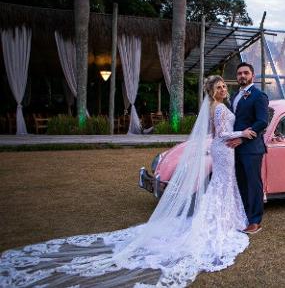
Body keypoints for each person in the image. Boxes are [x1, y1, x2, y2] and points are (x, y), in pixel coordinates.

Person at [0, 76, 257, 287]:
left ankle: (223, 218)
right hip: (224, 150)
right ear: (212, 92)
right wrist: (243, 132)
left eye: (224, 85)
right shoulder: (221, 107)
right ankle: (223, 221)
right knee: (223, 185)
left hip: (221, 150)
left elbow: (214, 134)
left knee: (221, 186)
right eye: (219, 87)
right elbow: (222, 134)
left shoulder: (214, 107)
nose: (223, 89)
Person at [227, 62, 269, 235]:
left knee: (253, 185)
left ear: (253, 76)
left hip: (251, 148)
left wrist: (241, 139)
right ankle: (244, 215)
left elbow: (261, 122)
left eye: (245, 73)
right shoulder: (235, 95)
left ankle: (255, 221)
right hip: (234, 148)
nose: (242, 76)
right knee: (241, 183)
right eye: (239, 73)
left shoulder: (259, 96)